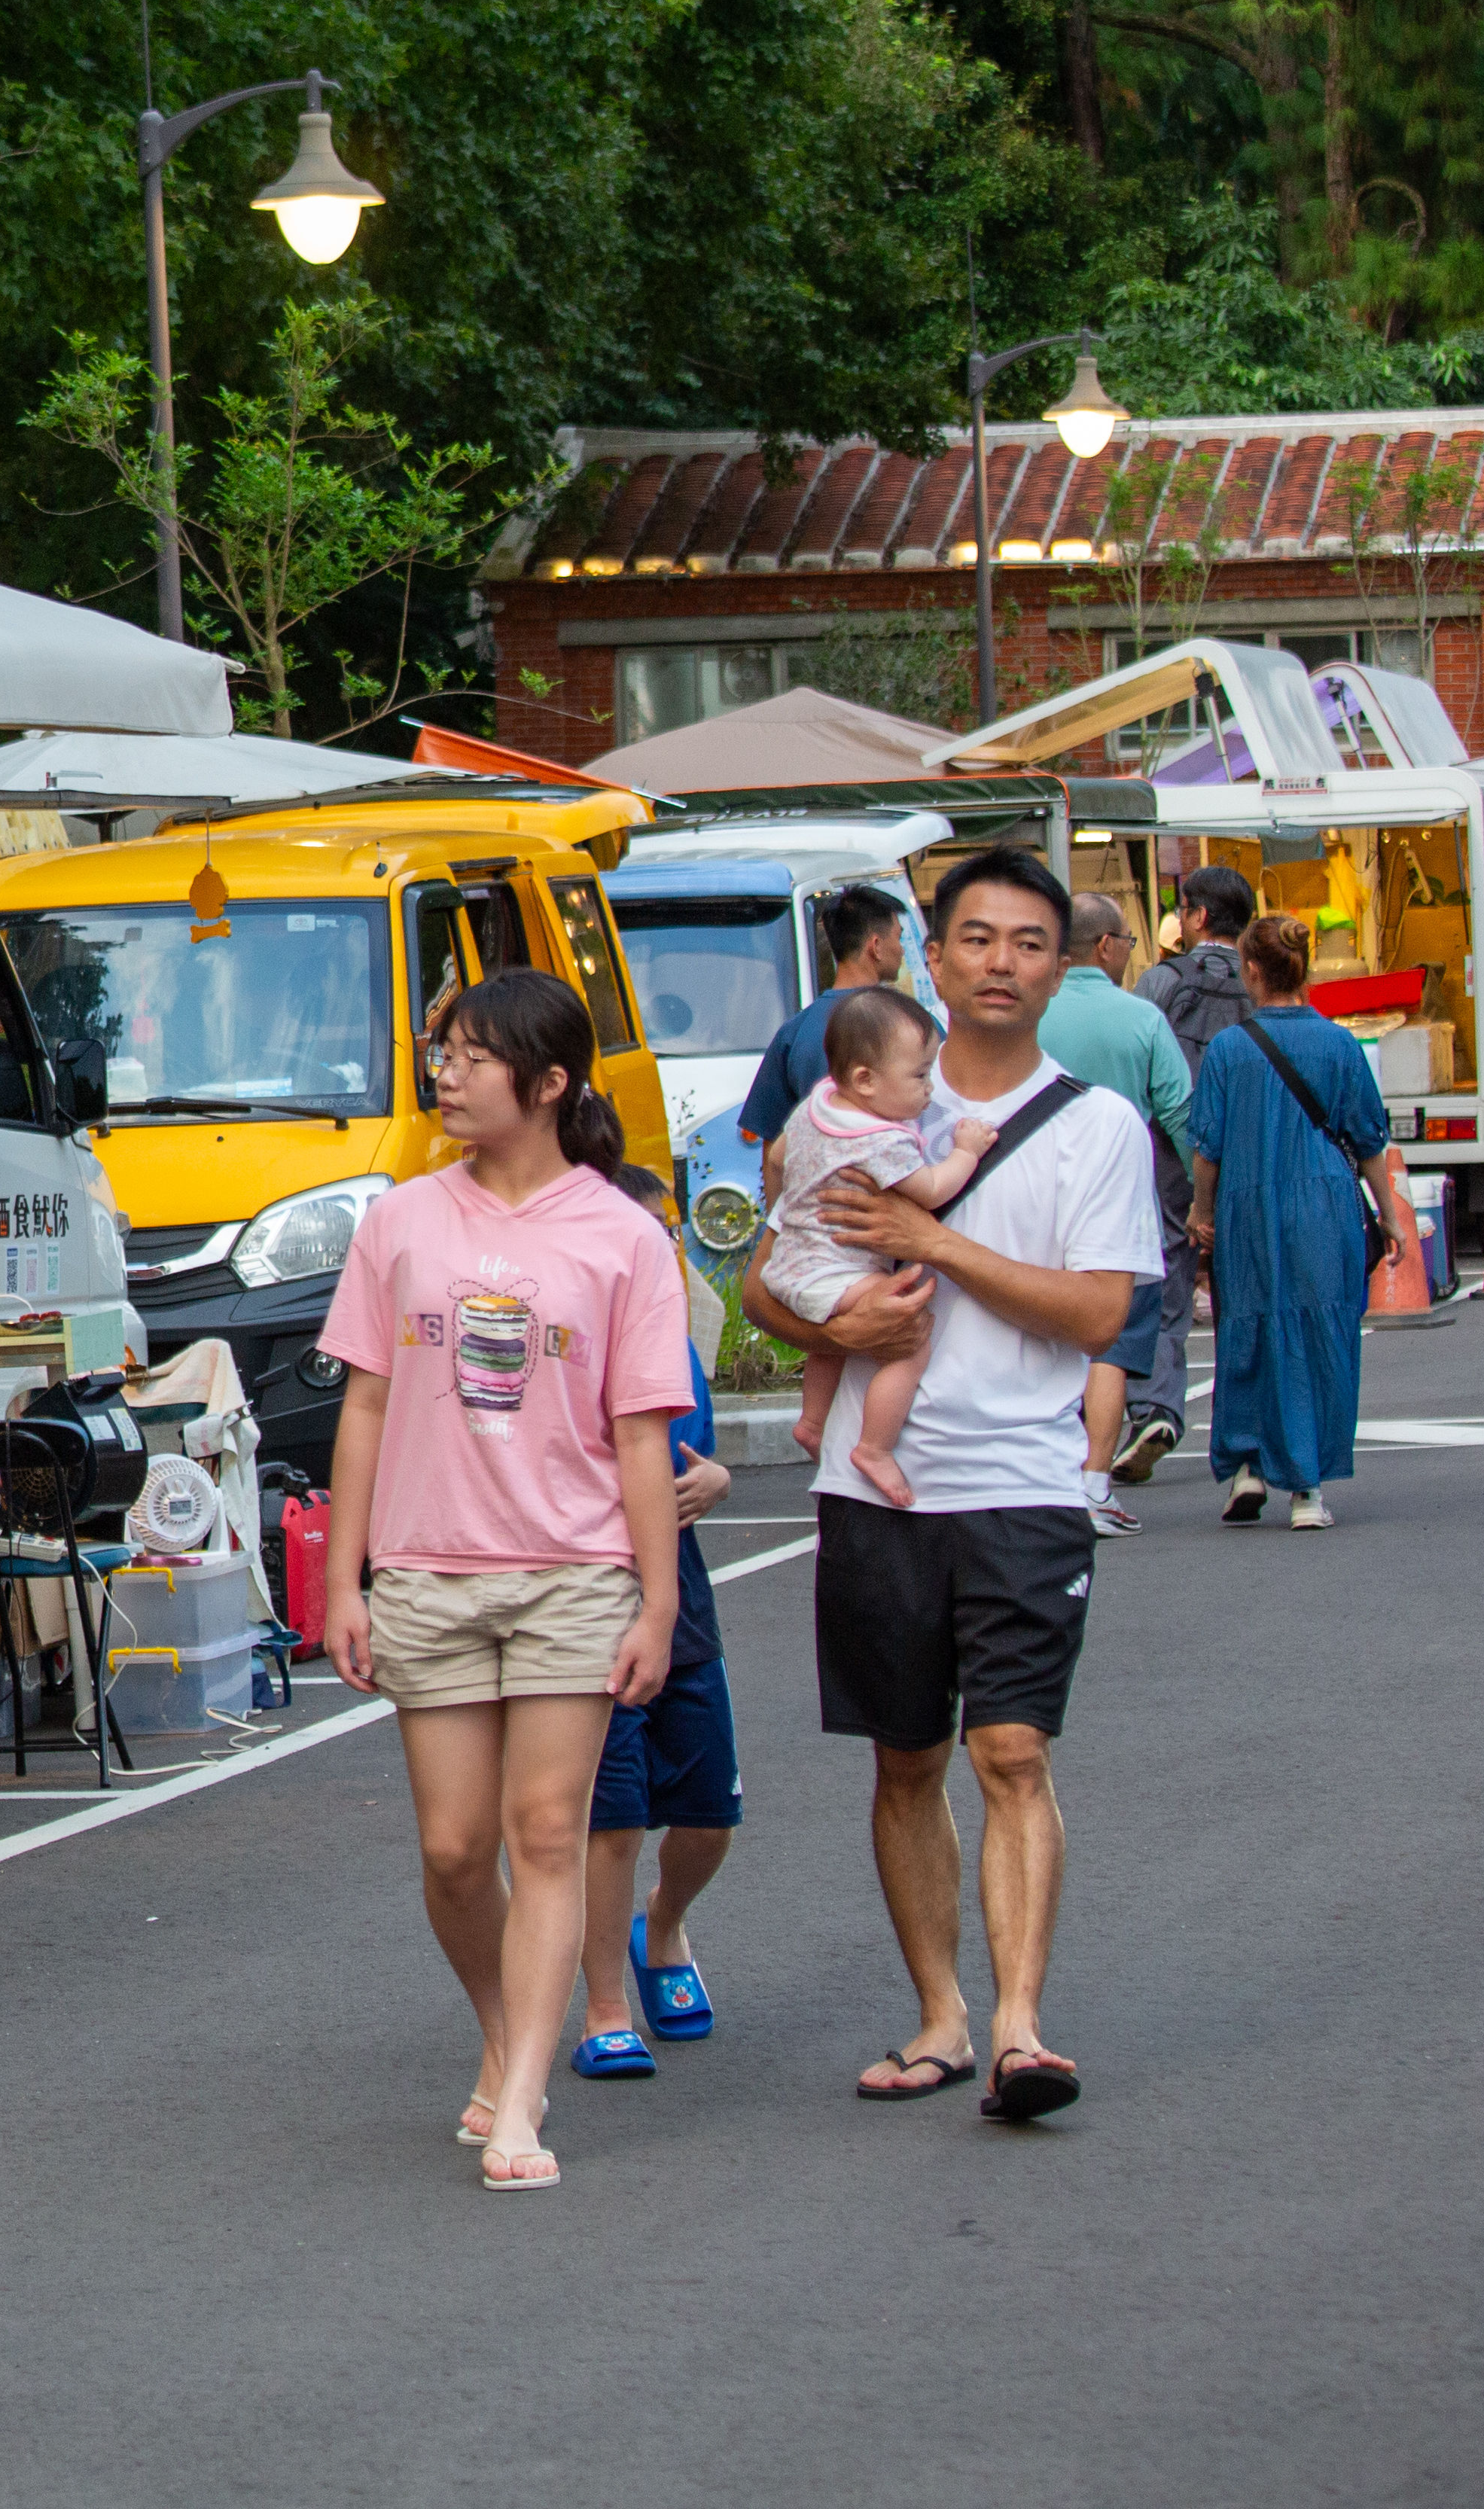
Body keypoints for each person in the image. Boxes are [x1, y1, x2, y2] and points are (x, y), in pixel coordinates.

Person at [742, 848, 1152, 2126]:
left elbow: (1097, 1314)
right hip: (877, 1490)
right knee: (906, 1759)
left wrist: (935, 1242)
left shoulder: (1096, 1126)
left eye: (1028, 943)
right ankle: (941, 2017)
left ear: (1058, 962)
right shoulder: (858, 1111)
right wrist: (834, 1335)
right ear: (935, 953)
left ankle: (1024, 2026)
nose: (1000, 964)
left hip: (1024, 1479)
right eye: (977, 939)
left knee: (1012, 1751)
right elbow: (765, 1280)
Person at [315, 970, 687, 2190]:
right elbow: (365, 1402)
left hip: (573, 1574)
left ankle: (524, 2097)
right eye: (444, 1053)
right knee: (455, 1848)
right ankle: (500, 2024)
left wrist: (659, 1598)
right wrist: (347, 1581)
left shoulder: (624, 1235)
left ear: (550, 1082)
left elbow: (642, 1436)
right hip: (428, 1570)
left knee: (545, 1832)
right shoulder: (401, 1221)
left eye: (473, 1056)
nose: (447, 1074)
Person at [572, 1169, 743, 2084]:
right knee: (613, 1813)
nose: (660, 1253)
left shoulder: (677, 1343)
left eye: (668, 1236)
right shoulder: (569, 1344)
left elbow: (695, 1461)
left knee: (711, 1810)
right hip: (594, 1598)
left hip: (684, 1596)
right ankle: (604, 2006)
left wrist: (719, 1481)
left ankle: (664, 1923)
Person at [1189, 913, 1415, 1532]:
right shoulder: (1341, 1045)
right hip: (1325, 1205)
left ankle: (1245, 1465)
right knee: (1320, 1336)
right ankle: (1307, 1490)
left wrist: (1201, 1215)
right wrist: (1391, 1219)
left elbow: (1206, 1148)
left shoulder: (1231, 1050)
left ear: (1252, 973)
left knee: (1248, 1331)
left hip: (1248, 1205)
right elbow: (1369, 1138)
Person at [766, 989, 1003, 1508]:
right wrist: (966, 1150)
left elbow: (780, 1156)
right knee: (911, 1334)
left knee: (829, 1340)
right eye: (918, 1076)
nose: (929, 1089)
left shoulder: (820, 1104)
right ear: (865, 1081)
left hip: (790, 1265)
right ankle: (874, 1446)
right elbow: (934, 1188)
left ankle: (811, 1422)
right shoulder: (880, 1140)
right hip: (838, 1269)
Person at [1038, 894, 1191, 1537]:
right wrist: (1204, 1201)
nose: (1132, 953)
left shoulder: (1026, 1015)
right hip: (1122, 1205)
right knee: (1113, 1349)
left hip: (1038, 1207)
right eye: (1129, 941)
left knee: (1042, 1344)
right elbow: (1181, 1114)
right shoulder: (1142, 1020)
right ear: (1104, 947)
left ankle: (1042, 1482)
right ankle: (1094, 1486)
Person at [1123, 866, 1257, 1479]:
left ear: (1198, 917)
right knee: (1249, 1287)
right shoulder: (1263, 979)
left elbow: (1143, 1060)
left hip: (1172, 1153)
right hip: (1255, 1151)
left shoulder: (1160, 981)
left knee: (1168, 1277)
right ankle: (1250, 1426)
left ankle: (1155, 1406)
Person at [736, 885, 910, 1151]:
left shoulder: (793, 1033)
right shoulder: (913, 1024)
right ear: (875, 946)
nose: (902, 950)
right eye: (899, 938)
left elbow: (773, 1145)